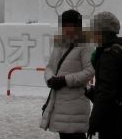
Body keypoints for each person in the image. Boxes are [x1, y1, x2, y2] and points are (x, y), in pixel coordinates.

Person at [88, 11, 122, 139]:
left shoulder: (109, 55)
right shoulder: (120, 49)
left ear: (103, 33)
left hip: (112, 117)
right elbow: (118, 85)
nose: (92, 35)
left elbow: (107, 93)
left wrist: (94, 121)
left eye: (94, 31)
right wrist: (93, 92)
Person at [41, 9, 95, 139]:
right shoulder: (59, 44)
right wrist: (50, 79)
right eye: (64, 26)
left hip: (76, 104)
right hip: (59, 102)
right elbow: (50, 67)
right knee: (64, 136)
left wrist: (65, 80)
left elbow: (90, 71)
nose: (66, 30)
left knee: (75, 135)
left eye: (70, 26)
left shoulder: (86, 45)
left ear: (78, 27)